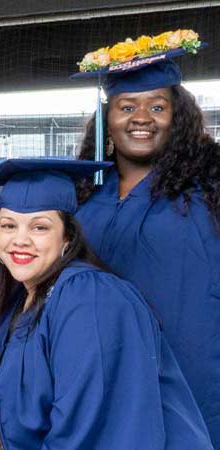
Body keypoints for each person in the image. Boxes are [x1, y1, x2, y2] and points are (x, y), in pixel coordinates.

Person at [0, 159, 212, 449]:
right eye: (9, 225)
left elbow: (90, 428)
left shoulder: (88, 297)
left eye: (40, 227)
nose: (20, 240)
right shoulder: (21, 303)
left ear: (67, 238)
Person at [71, 30, 220, 446]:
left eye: (158, 106)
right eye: (126, 106)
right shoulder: (81, 194)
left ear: (179, 116)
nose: (141, 118)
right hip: (103, 372)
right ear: (107, 118)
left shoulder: (209, 188)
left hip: (195, 371)